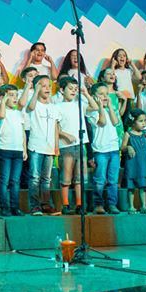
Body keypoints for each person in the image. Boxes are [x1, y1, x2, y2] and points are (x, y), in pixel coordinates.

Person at [26, 75, 64, 216]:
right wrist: (35, 91)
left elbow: (55, 127)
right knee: (35, 177)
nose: (47, 88)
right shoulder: (34, 104)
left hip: (49, 147)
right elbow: (30, 107)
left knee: (46, 178)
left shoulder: (54, 107)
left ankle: (46, 204)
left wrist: (56, 146)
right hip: (36, 145)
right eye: (43, 85)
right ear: (37, 87)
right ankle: (35, 206)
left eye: (49, 85)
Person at [56, 76, 89, 215]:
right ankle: (65, 204)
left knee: (79, 177)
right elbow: (55, 127)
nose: (74, 91)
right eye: (70, 88)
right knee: (66, 177)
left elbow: (93, 107)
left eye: (76, 89)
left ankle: (80, 204)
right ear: (62, 90)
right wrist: (65, 135)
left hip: (80, 145)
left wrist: (86, 93)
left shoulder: (80, 104)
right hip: (66, 146)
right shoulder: (57, 106)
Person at [87, 82, 121, 215]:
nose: (105, 96)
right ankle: (98, 204)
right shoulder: (92, 112)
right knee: (100, 179)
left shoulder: (108, 110)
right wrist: (100, 106)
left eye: (106, 94)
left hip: (113, 149)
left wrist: (110, 107)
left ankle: (112, 204)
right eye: (101, 94)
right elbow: (102, 122)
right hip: (100, 150)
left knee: (113, 179)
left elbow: (115, 122)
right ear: (94, 96)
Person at [0, 84, 27, 216]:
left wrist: (24, 149)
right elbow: (1, 115)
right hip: (5, 150)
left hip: (18, 151)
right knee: (5, 180)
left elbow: (23, 132)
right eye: (11, 95)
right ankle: (4, 207)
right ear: (3, 97)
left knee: (15, 181)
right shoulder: (1, 111)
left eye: (16, 95)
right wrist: (3, 100)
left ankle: (15, 207)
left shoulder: (19, 113)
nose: (15, 98)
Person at [121, 109, 146, 213]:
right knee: (131, 186)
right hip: (132, 162)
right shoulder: (128, 134)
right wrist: (129, 147)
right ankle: (131, 206)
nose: (143, 123)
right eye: (141, 121)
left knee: (142, 185)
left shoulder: (144, 133)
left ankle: (143, 206)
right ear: (133, 121)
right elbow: (122, 147)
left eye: (144, 120)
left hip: (143, 162)